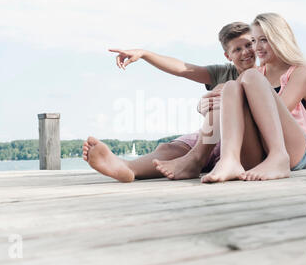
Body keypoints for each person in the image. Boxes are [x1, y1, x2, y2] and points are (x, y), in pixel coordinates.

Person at [82, 22, 257, 182]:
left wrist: (220, 96)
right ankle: (127, 168)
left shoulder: (267, 71)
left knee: (221, 92)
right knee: (172, 148)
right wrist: (145, 54)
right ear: (228, 56)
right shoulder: (224, 72)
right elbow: (183, 68)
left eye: (249, 45)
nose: (245, 52)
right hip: (214, 134)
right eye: (237, 49)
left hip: (244, 139)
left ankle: (196, 161)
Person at [197, 13, 306, 183]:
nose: (257, 47)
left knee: (247, 78)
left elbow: (282, 114)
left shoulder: (301, 71)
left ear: (279, 38)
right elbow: (229, 103)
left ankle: (278, 157)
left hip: (291, 150)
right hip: (259, 153)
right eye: (254, 41)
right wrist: (204, 105)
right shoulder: (256, 75)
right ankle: (229, 159)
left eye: (263, 40)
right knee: (231, 86)